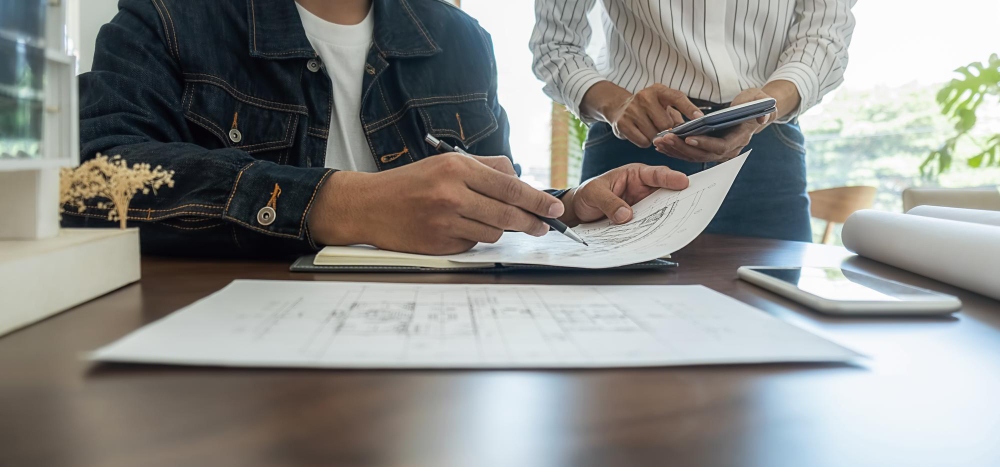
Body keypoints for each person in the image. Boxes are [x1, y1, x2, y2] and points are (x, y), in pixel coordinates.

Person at [65, 0, 689, 258]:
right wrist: (337, 204)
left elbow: (484, 193)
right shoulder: (170, 17)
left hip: (431, 367)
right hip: (231, 373)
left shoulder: (458, 39)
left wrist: (566, 208)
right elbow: (91, 185)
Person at [531, 0, 857, 242]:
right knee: (619, 318)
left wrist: (769, 103)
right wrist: (617, 105)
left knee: (774, 323)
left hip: (765, 145)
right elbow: (555, 44)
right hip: (632, 145)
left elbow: (824, 37)